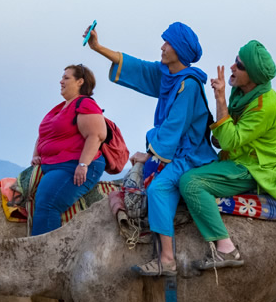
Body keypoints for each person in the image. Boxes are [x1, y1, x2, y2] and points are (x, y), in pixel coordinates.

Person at [87, 22, 216, 276]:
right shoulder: (168, 75)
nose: (162, 46)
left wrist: (150, 153)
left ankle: (166, 260)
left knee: (157, 188)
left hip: (188, 154)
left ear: (178, 50)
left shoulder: (187, 85)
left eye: (167, 43)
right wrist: (98, 47)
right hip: (171, 150)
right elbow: (138, 68)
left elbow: (173, 128)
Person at [178, 40, 276, 269]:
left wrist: (220, 98)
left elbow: (229, 139)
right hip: (235, 156)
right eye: (235, 60)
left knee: (190, 183)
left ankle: (226, 248)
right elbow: (224, 135)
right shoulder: (242, 93)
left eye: (239, 65)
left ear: (254, 76)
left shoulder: (264, 105)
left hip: (254, 167)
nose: (232, 66)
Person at [29, 64, 108, 235]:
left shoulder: (85, 104)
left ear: (80, 81)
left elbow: (96, 135)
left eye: (66, 78)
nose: (61, 81)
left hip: (73, 165)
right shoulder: (60, 107)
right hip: (53, 164)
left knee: (47, 202)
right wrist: (36, 155)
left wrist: (83, 165)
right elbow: (43, 134)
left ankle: (45, 256)